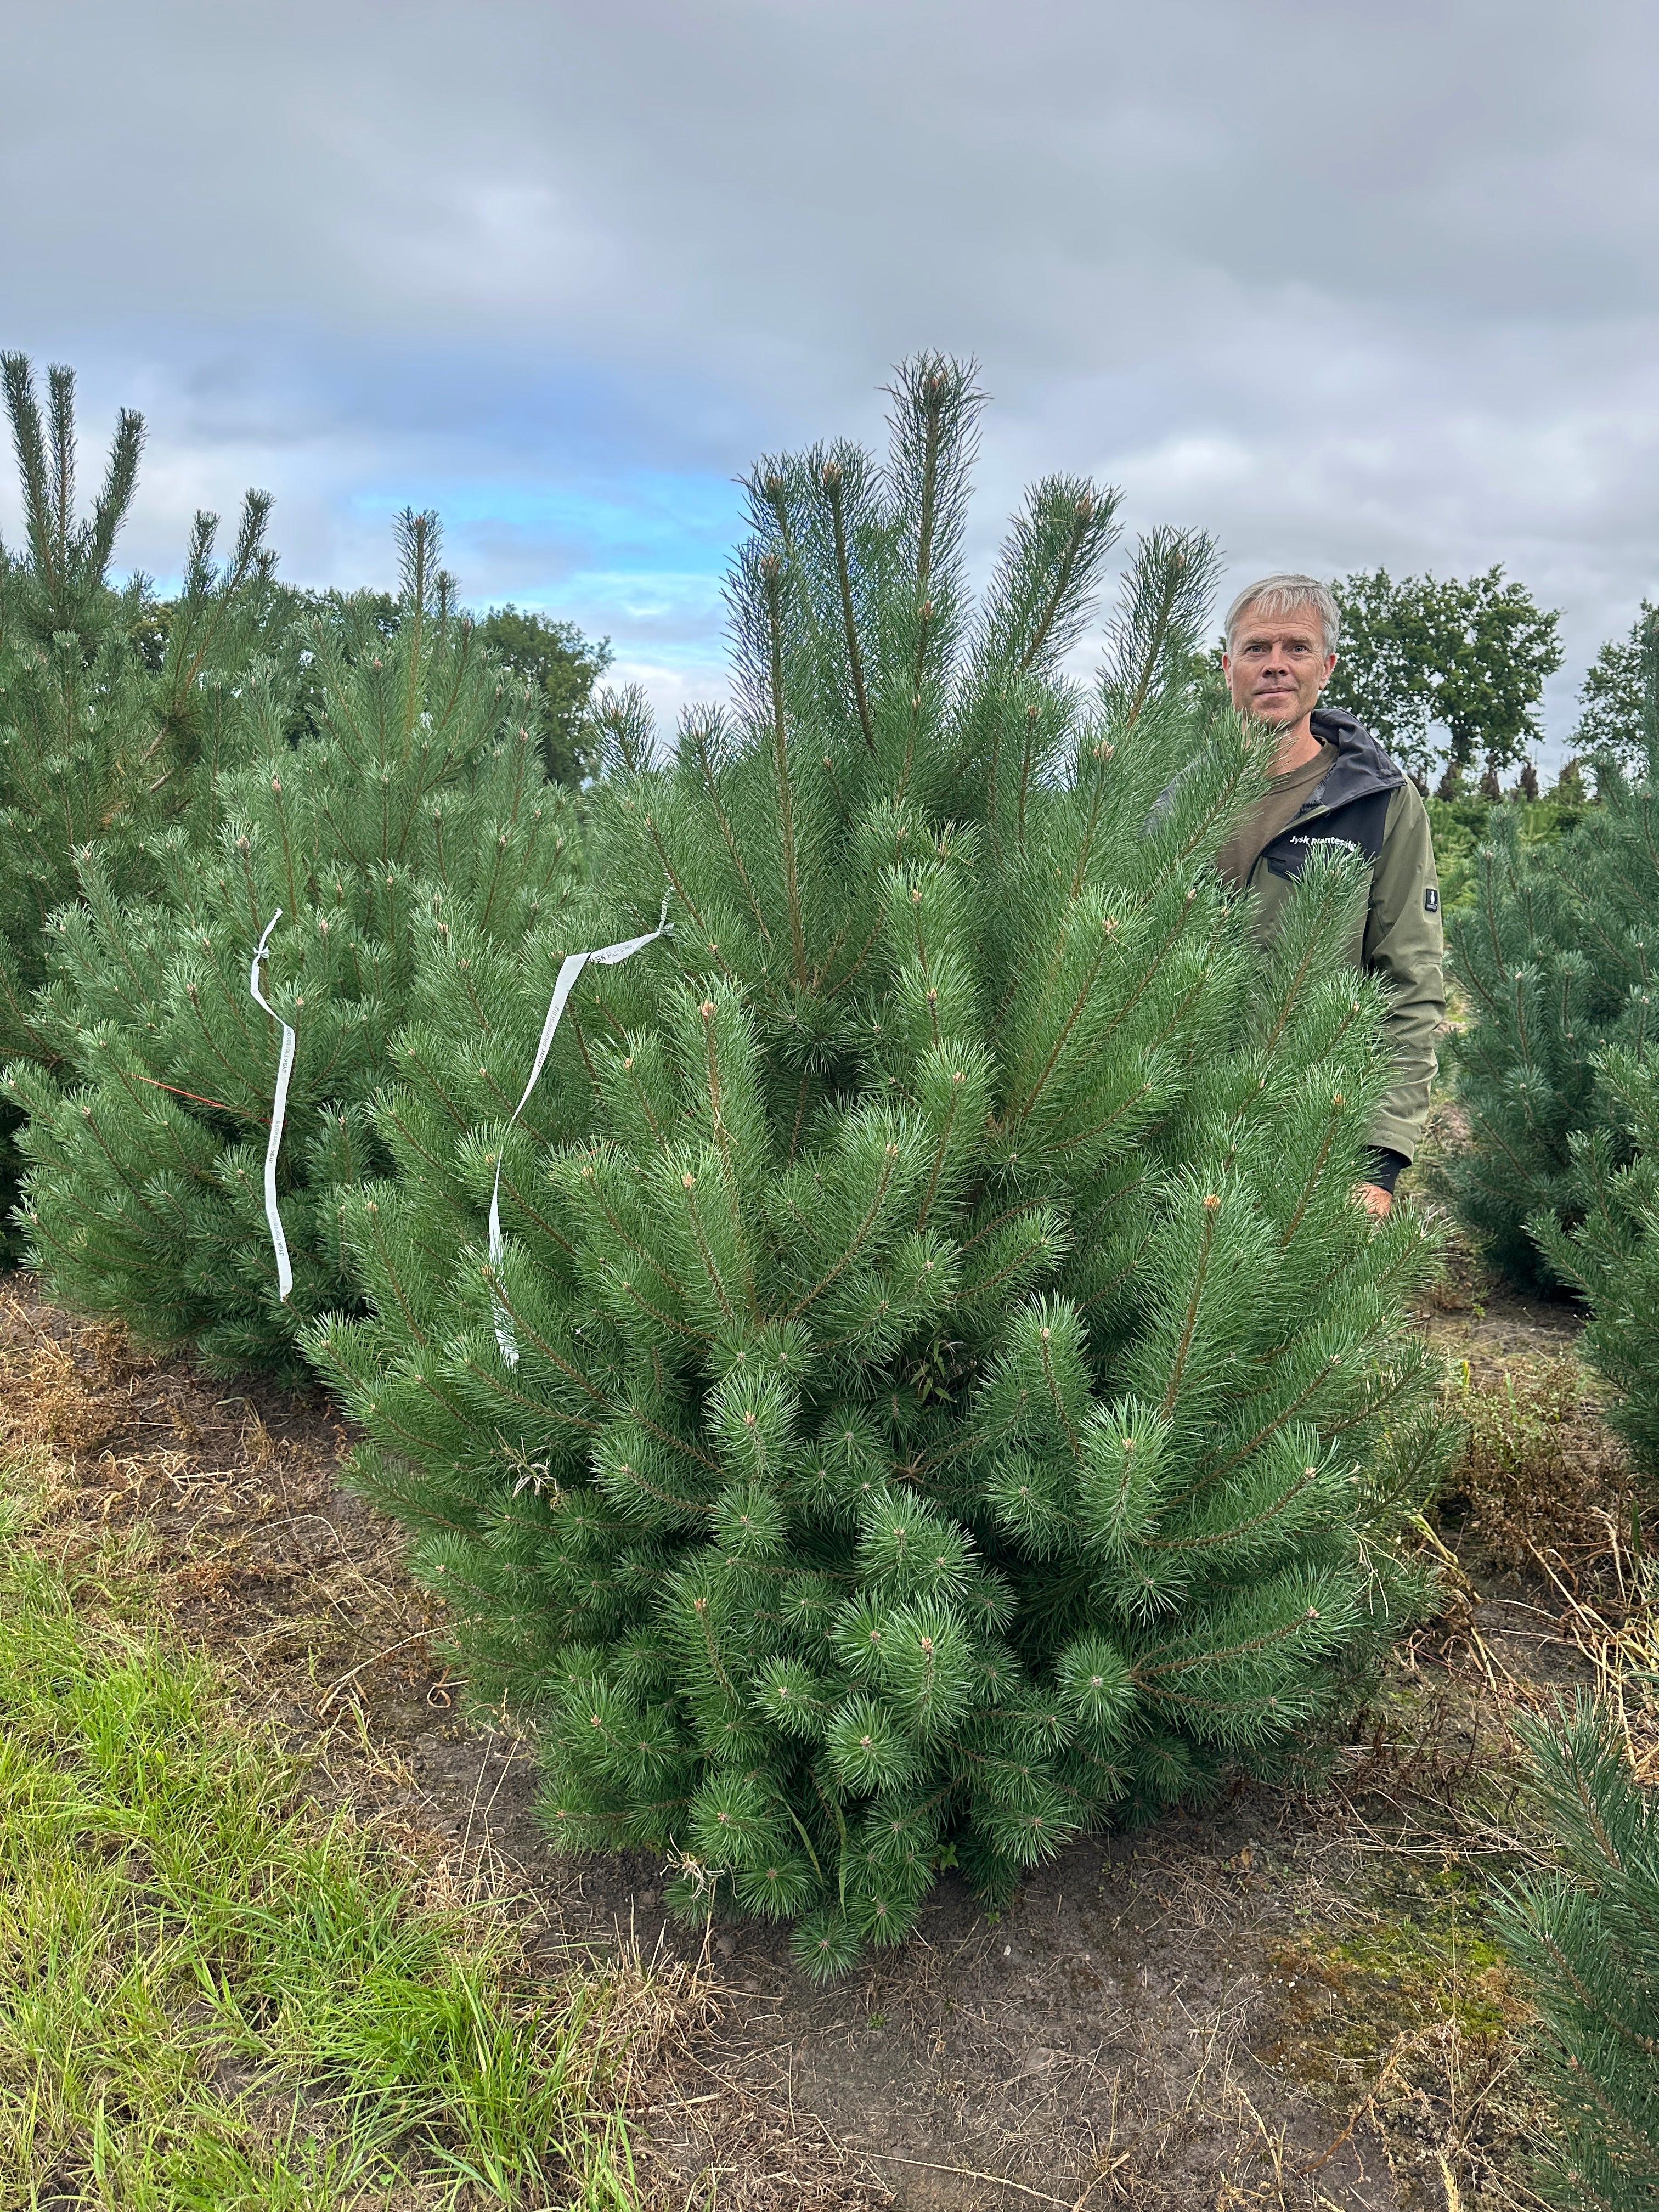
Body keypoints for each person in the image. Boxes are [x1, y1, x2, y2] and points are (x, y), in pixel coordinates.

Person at [1215, 573, 1444, 1218]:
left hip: (1316, 1130)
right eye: (1257, 649)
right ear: (1228, 665)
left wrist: (1381, 1156)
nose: (1276, 667)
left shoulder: (1379, 804)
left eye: (1298, 648)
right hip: (1177, 1118)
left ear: (1328, 667)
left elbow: (1411, 981)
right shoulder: (1177, 801)